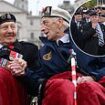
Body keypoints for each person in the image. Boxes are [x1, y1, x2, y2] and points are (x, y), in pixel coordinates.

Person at [0, 12, 39, 105]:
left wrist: (24, 72)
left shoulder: (29, 50)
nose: (10, 31)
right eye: (5, 28)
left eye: (13, 27)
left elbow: (36, 87)